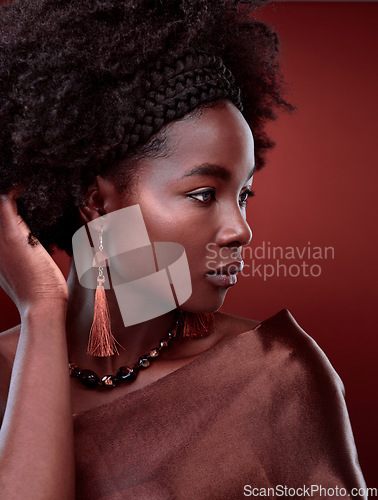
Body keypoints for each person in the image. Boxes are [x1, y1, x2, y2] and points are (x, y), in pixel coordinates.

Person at [0, 0, 367, 498]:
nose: (240, 230)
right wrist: (41, 311)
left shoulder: (276, 376)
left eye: (243, 196)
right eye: (202, 194)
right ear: (95, 201)